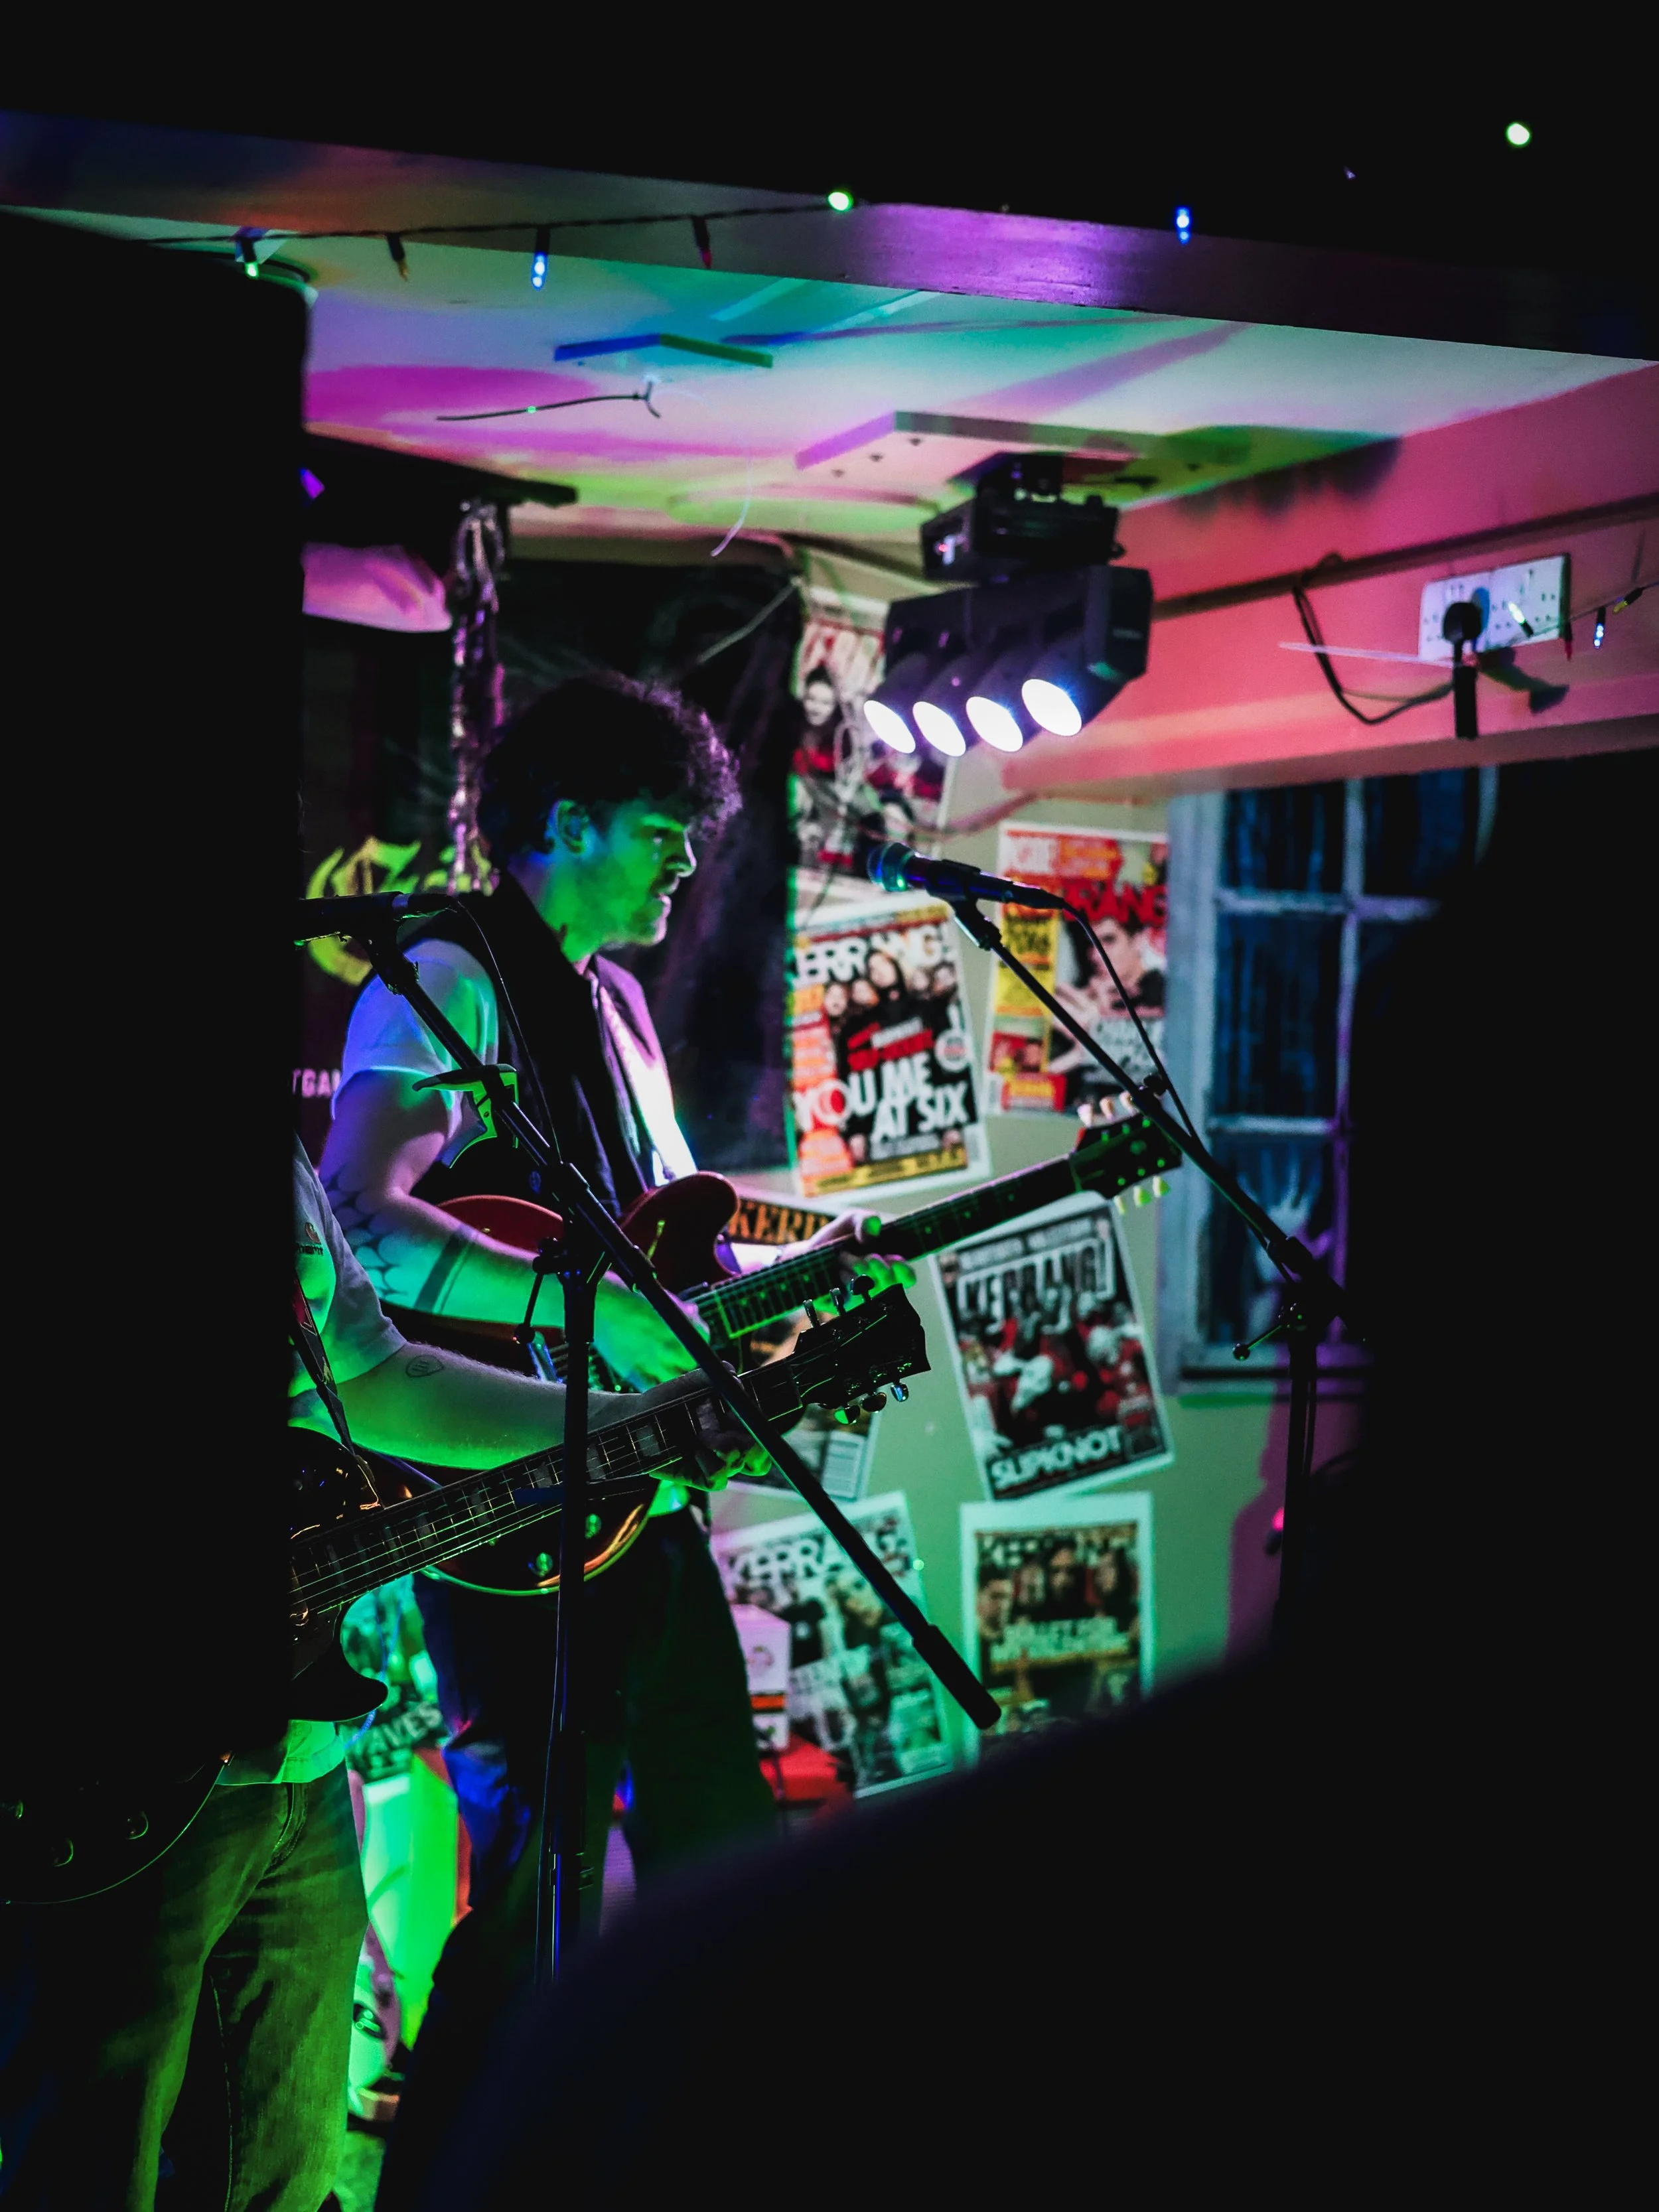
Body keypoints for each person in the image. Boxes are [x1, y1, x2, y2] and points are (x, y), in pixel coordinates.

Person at [319, 672, 907, 2193]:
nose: (681, 866)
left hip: (642, 1489)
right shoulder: (444, 978)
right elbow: (369, 1229)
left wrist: (817, 1258)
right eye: (658, 830)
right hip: (509, 1504)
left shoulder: (621, 1004)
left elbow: (679, 1237)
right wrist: (598, 1318)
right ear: (563, 823)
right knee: (534, 1877)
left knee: (721, 1828)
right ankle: (455, 2169)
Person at [0, 1144, 749, 2212]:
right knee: (83, 2164)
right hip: (96, 1757)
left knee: (281, 2182)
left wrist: (632, 1432)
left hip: (293, 1764)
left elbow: (366, 1372)